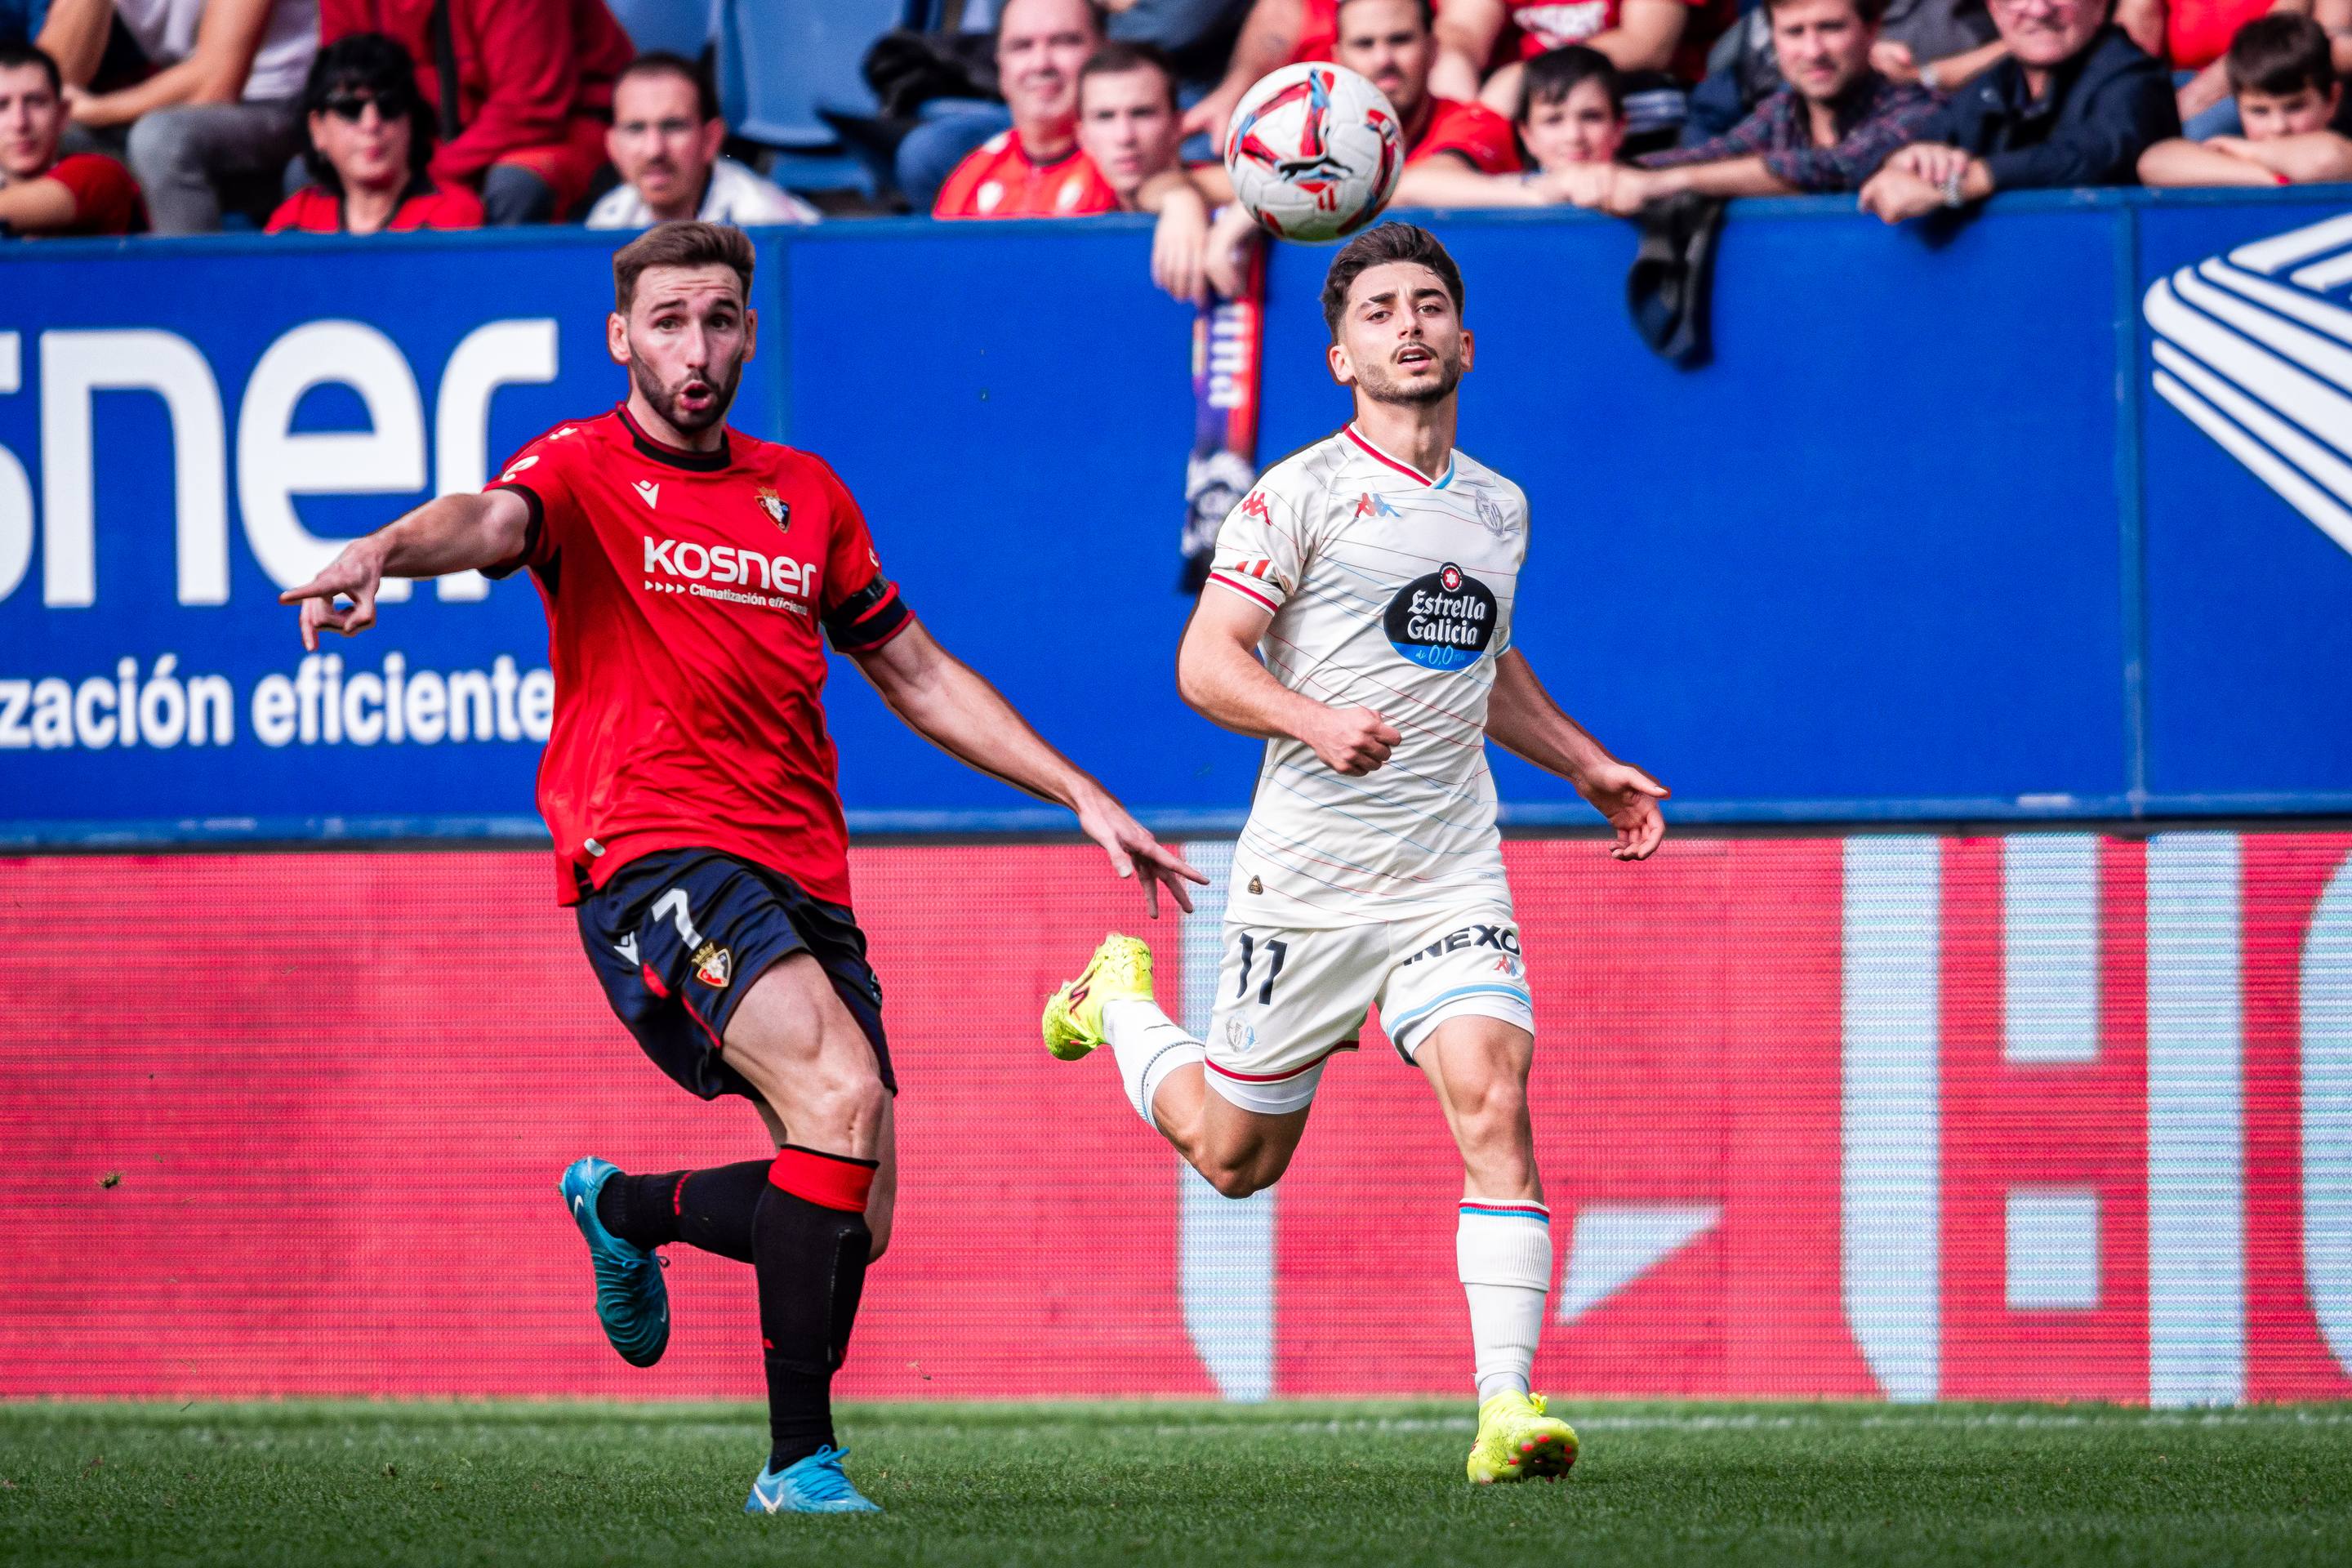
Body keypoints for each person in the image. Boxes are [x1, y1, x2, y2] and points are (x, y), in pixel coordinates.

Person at [278, 220, 1205, 1516]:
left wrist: (1080, 793)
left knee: (853, 1217)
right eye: (667, 322)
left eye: (718, 320)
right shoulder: (584, 469)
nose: (694, 347)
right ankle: (799, 1466)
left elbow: (917, 670)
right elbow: (489, 521)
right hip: (650, 844)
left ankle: (627, 1208)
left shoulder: (804, 493)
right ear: (623, 338)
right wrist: (383, 549)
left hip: (801, 865)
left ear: (749, 334)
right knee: (837, 1094)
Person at [1037, 222, 1669, 1487]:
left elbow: (1479, 660)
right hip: (1309, 882)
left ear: (1467, 341)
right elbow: (1205, 663)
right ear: (1340, 356)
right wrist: (1312, 719)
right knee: (1233, 1161)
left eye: (1430, 305)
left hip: (1447, 865)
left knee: (1496, 1095)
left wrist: (1586, 762)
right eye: (1381, 311)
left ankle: (1506, 1409)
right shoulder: (1300, 493)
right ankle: (1120, 1005)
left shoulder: (1499, 506)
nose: (1411, 325)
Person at [1193, 0, 1521, 267]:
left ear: (1434, 49)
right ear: (1338, 58)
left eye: (1400, 40)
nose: (1384, 59)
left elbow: (1424, 183)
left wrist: (1269, 200)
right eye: (1365, 44)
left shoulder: (1476, 120)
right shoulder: (1303, 132)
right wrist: (1180, 201)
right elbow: (1193, 181)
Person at [1568, 0, 1938, 210]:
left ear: (1871, 30)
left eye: (1830, 28)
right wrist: (1602, 175)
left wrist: (1662, 183)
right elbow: (1714, 155)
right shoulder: (1783, 110)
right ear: (1773, 39)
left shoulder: (1914, 106)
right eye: (1794, 32)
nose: (1813, 52)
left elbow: (1840, 166)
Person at [1858, 0, 2177, 222]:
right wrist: (1904, 163)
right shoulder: (1994, 84)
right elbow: (1926, 141)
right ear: (1994, 10)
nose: (2038, 10)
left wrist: (1970, 180)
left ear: (2099, 5)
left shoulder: (2134, 76)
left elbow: (2098, 151)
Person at [319, 0, 635, 225]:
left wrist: (419, 177)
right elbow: (338, 87)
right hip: (421, 141)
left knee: (514, 185)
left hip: (562, 130)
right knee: (311, 173)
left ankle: (501, 306)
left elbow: (529, 106)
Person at [59, 0, 315, 233]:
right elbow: (48, 84)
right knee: (52, 139)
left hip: (282, 108)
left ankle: (191, 280)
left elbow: (216, 86)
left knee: (161, 140)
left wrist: (96, 110)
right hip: (182, 106)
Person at [265, 32, 481, 233]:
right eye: (350, 108)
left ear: (412, 121)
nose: (371, 124)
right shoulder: (295, 221)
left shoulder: (453, 216)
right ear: (317, 129)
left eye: (389, 106)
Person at [1370, 44, 1630, 205]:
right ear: (1527, 136)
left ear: (1620, 128)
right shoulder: (1514, 187)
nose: (1574, 135)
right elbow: (1409, 188)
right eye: (1553, 120)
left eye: (1591, 117)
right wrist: (1545, 193)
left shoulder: (1650, 185)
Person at [585, 51, 820, 230]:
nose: (654, 150)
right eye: (636, 129)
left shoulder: (768, 222)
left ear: (711, 139)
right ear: (613, 146)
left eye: (673, 126)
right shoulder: (607, 221)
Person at [933, 0, 1120, 219]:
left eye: (1063, 42)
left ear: (1105, 52)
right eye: (1022, 46)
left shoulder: (1130, 156)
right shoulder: (971, 177)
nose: (1041, 64)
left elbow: (1157, 189)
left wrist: (1170, 198)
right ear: (1000, 65)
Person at [1073, 40, 1221, 299]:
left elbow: (1280, 186)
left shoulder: (1218, 192)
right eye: (1105, 117)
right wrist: (1178, 197)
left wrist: (1243, 216)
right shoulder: (1065, 208)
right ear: (1083, 136)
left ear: (1177, 127)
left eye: (1142, 114)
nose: (1124, 136)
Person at [2138, 10, 2352, 180]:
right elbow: (2154, 161)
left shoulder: (2340, 147)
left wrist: (2246, 150)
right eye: (2259, 111)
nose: (2278, 126)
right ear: (2238, 106)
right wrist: (2267, 177)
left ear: (2332, 99)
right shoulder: (2240, 158)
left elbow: (2326, 159)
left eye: (2294, 107)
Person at [0, 38, 141, 233]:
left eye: (36, 102)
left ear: (62, 114)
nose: (19, 123)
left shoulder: (98, 173)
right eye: (2, 106)